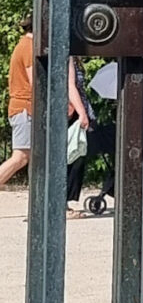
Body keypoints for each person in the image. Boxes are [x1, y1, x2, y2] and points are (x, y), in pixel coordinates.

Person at [0, 13, 90, 192]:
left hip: (25, 109)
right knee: (21, 156)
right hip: (25, 109)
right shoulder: (29, 47)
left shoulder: (25, 45)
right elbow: (37, 84)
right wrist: (60, 105)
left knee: (36, 158)